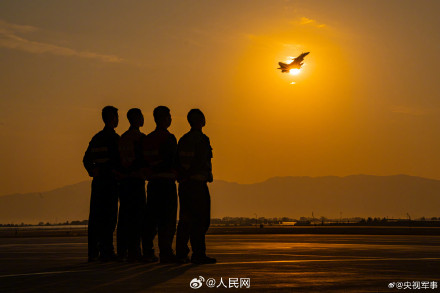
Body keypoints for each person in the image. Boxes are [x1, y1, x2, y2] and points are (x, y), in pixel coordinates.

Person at [175, 109, 216, 264]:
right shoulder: (202, 140)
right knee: (200, 220)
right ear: (201, 121)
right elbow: (199, 161)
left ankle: (181, 253)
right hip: (197, 184)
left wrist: (183, 176)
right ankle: (198, 253)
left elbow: (178, 161)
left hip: (185, 185)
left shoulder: (183, 139)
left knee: (185, 219)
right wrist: (190, 174)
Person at [83, 106, 120, 262]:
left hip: (98, 183)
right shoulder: (114, 138)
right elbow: (116, 161)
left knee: (96, 217)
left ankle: (93, 252)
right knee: (109, 217)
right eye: (117, 117)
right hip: (110, 182)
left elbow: (86, 159)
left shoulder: (96, 138)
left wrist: (92, 170)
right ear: (112, 118)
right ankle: (107, 250)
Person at [141, 106, 178, 263]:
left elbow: (143, 161)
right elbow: (172, 160)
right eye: (169, 116)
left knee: (151, 219)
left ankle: (148, 251)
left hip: (153, 183)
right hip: (166, 182)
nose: (171, 119)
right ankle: (166, 252)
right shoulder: (168, 138)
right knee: (167, 220)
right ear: (164, 119)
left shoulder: (147, 139)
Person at [117, 108, 147, 262]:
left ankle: (122, 251)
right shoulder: (140, 138)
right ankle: (135, 252)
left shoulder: (122, 138)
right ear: (136, 119)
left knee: (123, 218)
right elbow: (142, 159)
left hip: (123, 182)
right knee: (137, 218)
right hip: (136, 181)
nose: (143, 119)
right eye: (141, 116)